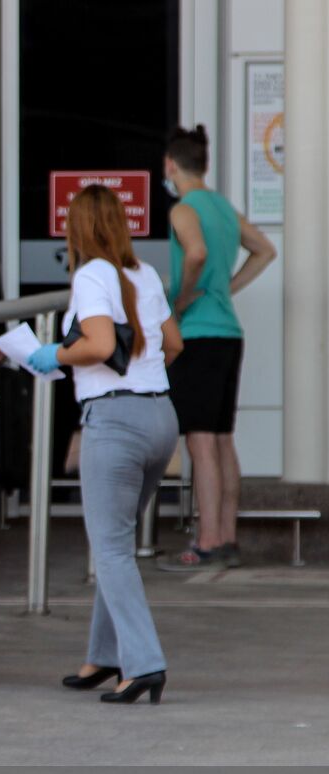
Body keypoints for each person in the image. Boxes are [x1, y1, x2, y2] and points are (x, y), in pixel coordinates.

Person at [22, 185, 183, 704]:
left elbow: (101, 345)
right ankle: (104, 656)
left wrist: (52, 354)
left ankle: (143, 665)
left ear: (78, 228)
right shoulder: (144, 273)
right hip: (160, 414)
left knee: (111, 548)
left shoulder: (92, 274)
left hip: (114, 419)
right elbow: (173, 344)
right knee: (115, 538)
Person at [157, 124, 277, 571]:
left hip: (199, 334)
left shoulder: (184, 208)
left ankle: (206, 542)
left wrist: (184, 297)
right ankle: (226, 537)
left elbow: (196, 254)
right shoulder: (224, 208)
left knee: (200, 441)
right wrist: (227, 288)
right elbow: (264, 250)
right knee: (223, 438)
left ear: (171, 165)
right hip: (229, 334)